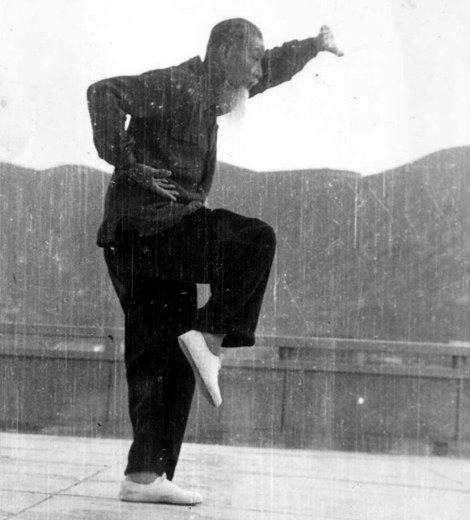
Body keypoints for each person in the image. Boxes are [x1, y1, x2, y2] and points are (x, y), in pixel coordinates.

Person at [87, 18, 342, 506]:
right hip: (149, 229)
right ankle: (209, 336)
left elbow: (271, 70)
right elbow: (103, 93)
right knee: (255, 241)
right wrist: (127, 163)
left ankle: (144, 476)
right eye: (252, 57)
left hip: (143, 238)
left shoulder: (212, 95)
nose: (258, 71)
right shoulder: (178, 85)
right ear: (224, 52)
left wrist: (313, 45)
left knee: (162, 356)